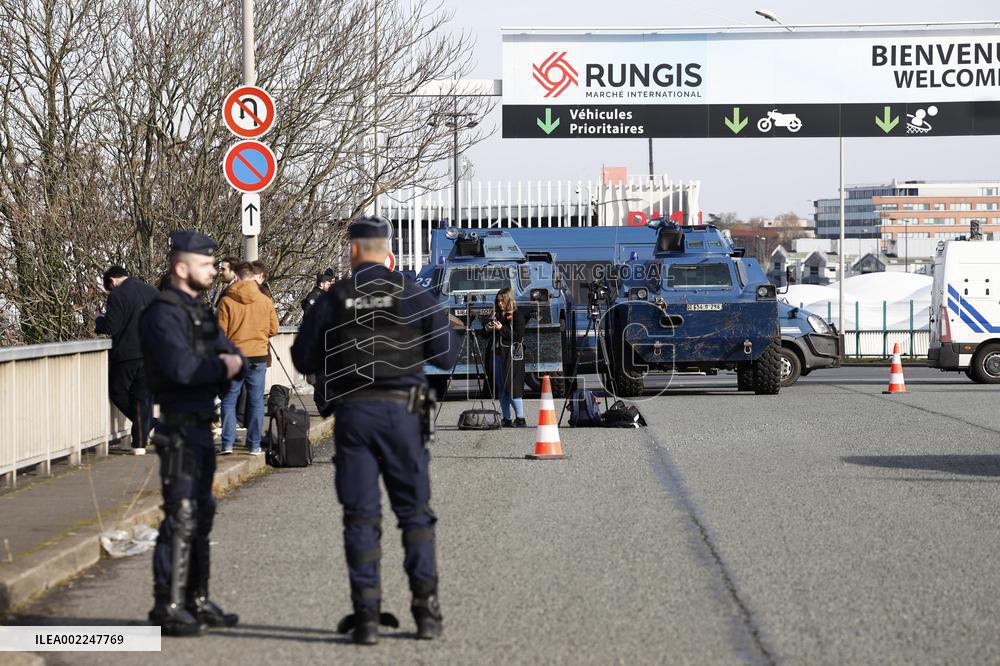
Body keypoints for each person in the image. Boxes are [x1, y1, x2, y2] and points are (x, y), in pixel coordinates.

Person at [291, 216, 458, 646]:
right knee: (415, 514)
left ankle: (366, 618)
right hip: (405, 411)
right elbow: (446, 350)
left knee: (361, 516)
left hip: (354, 414)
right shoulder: (413, 293)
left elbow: (304, 356)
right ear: (389, 254)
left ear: (352, 252)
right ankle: (427, 613)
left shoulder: (336, 298)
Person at [139, 231, 244, 637]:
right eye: (205, 264)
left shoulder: (199, 312)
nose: (214, 270)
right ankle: (167, 606)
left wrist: (221, 363)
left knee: (202, 514)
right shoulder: (163, 313)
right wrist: (220, 367)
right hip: (179, 427)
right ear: (181, 268)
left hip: (202, 423)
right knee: (180, 515)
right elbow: (182, 370)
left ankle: (197, 599)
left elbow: (233, 352)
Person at [95, 266, 160, 453]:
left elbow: (111, 327)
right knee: (142, 397)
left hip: (128, 354)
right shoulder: (151, 291)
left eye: (109, 286)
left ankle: (152, 424)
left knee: (117, 392)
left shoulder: (117, 295)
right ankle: (139, 442)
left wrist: (99, 319)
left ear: (112, 280)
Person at [217, 262, 279, 455]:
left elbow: (220, 333)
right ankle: (254, 445)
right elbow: (274, 329)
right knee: (256, 400)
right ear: (253, 277)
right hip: (258, 356)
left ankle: (227, 443)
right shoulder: (264, 301)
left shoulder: (227, 301)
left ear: (236, 277)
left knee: (229, 399)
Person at [485, 287, 527, 427]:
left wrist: (501, 328)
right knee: (501, 388)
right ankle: (507, 418)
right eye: (498, 301)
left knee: (512, 387)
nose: (500, 303)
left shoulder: (518, 315)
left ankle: (520, 418)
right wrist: (488, 328)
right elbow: (484, 334)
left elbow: (517, 336)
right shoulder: (496, 315)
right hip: (496, 355)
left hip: (512, 356)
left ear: (509, 300)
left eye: (502, 301)